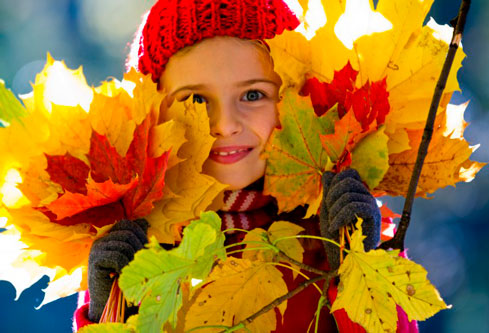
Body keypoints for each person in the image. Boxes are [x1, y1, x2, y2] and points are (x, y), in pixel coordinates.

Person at [74, 0, 416, 331]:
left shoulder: (338, 225)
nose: (225, 124)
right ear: (153, 114)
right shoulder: (137, 246)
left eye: (253, 95)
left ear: (296, 98)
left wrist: (360, 263)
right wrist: (107, 311)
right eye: (195, 99)